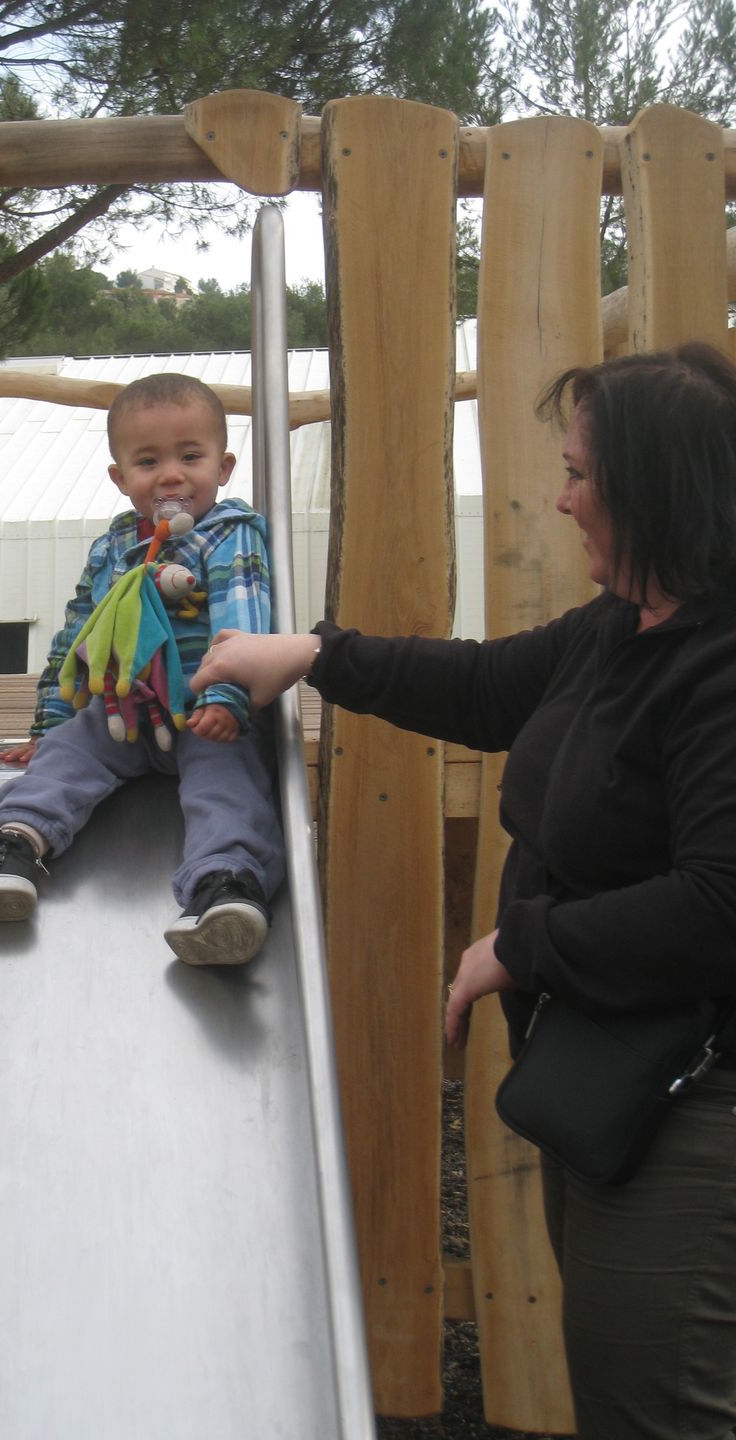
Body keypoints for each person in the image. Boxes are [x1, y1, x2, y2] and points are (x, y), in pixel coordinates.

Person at [192, 341, 736, 1438]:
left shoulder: (718, 668)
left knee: (660, 1407)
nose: (562, 499)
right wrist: (314, 654)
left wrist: (520, 945)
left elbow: (719, 905)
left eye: (580, 475)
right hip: (617, 1078)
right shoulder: (624, 627)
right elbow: (489, 687)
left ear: (651, 492)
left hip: (699, 1108)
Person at [0, 373, 284, 966]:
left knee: (225, 783)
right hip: (124, 712)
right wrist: (49, 724)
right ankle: (13, 848)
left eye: (190, 457)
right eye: (148, 461)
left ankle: (225, 886)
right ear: (120, 477)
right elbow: (78, 636)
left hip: (204, 711)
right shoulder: (113, 547)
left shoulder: (228, 535)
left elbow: (244, 620)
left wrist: (228, 698)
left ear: (224, 466)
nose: (171, 475)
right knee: (65, 757)